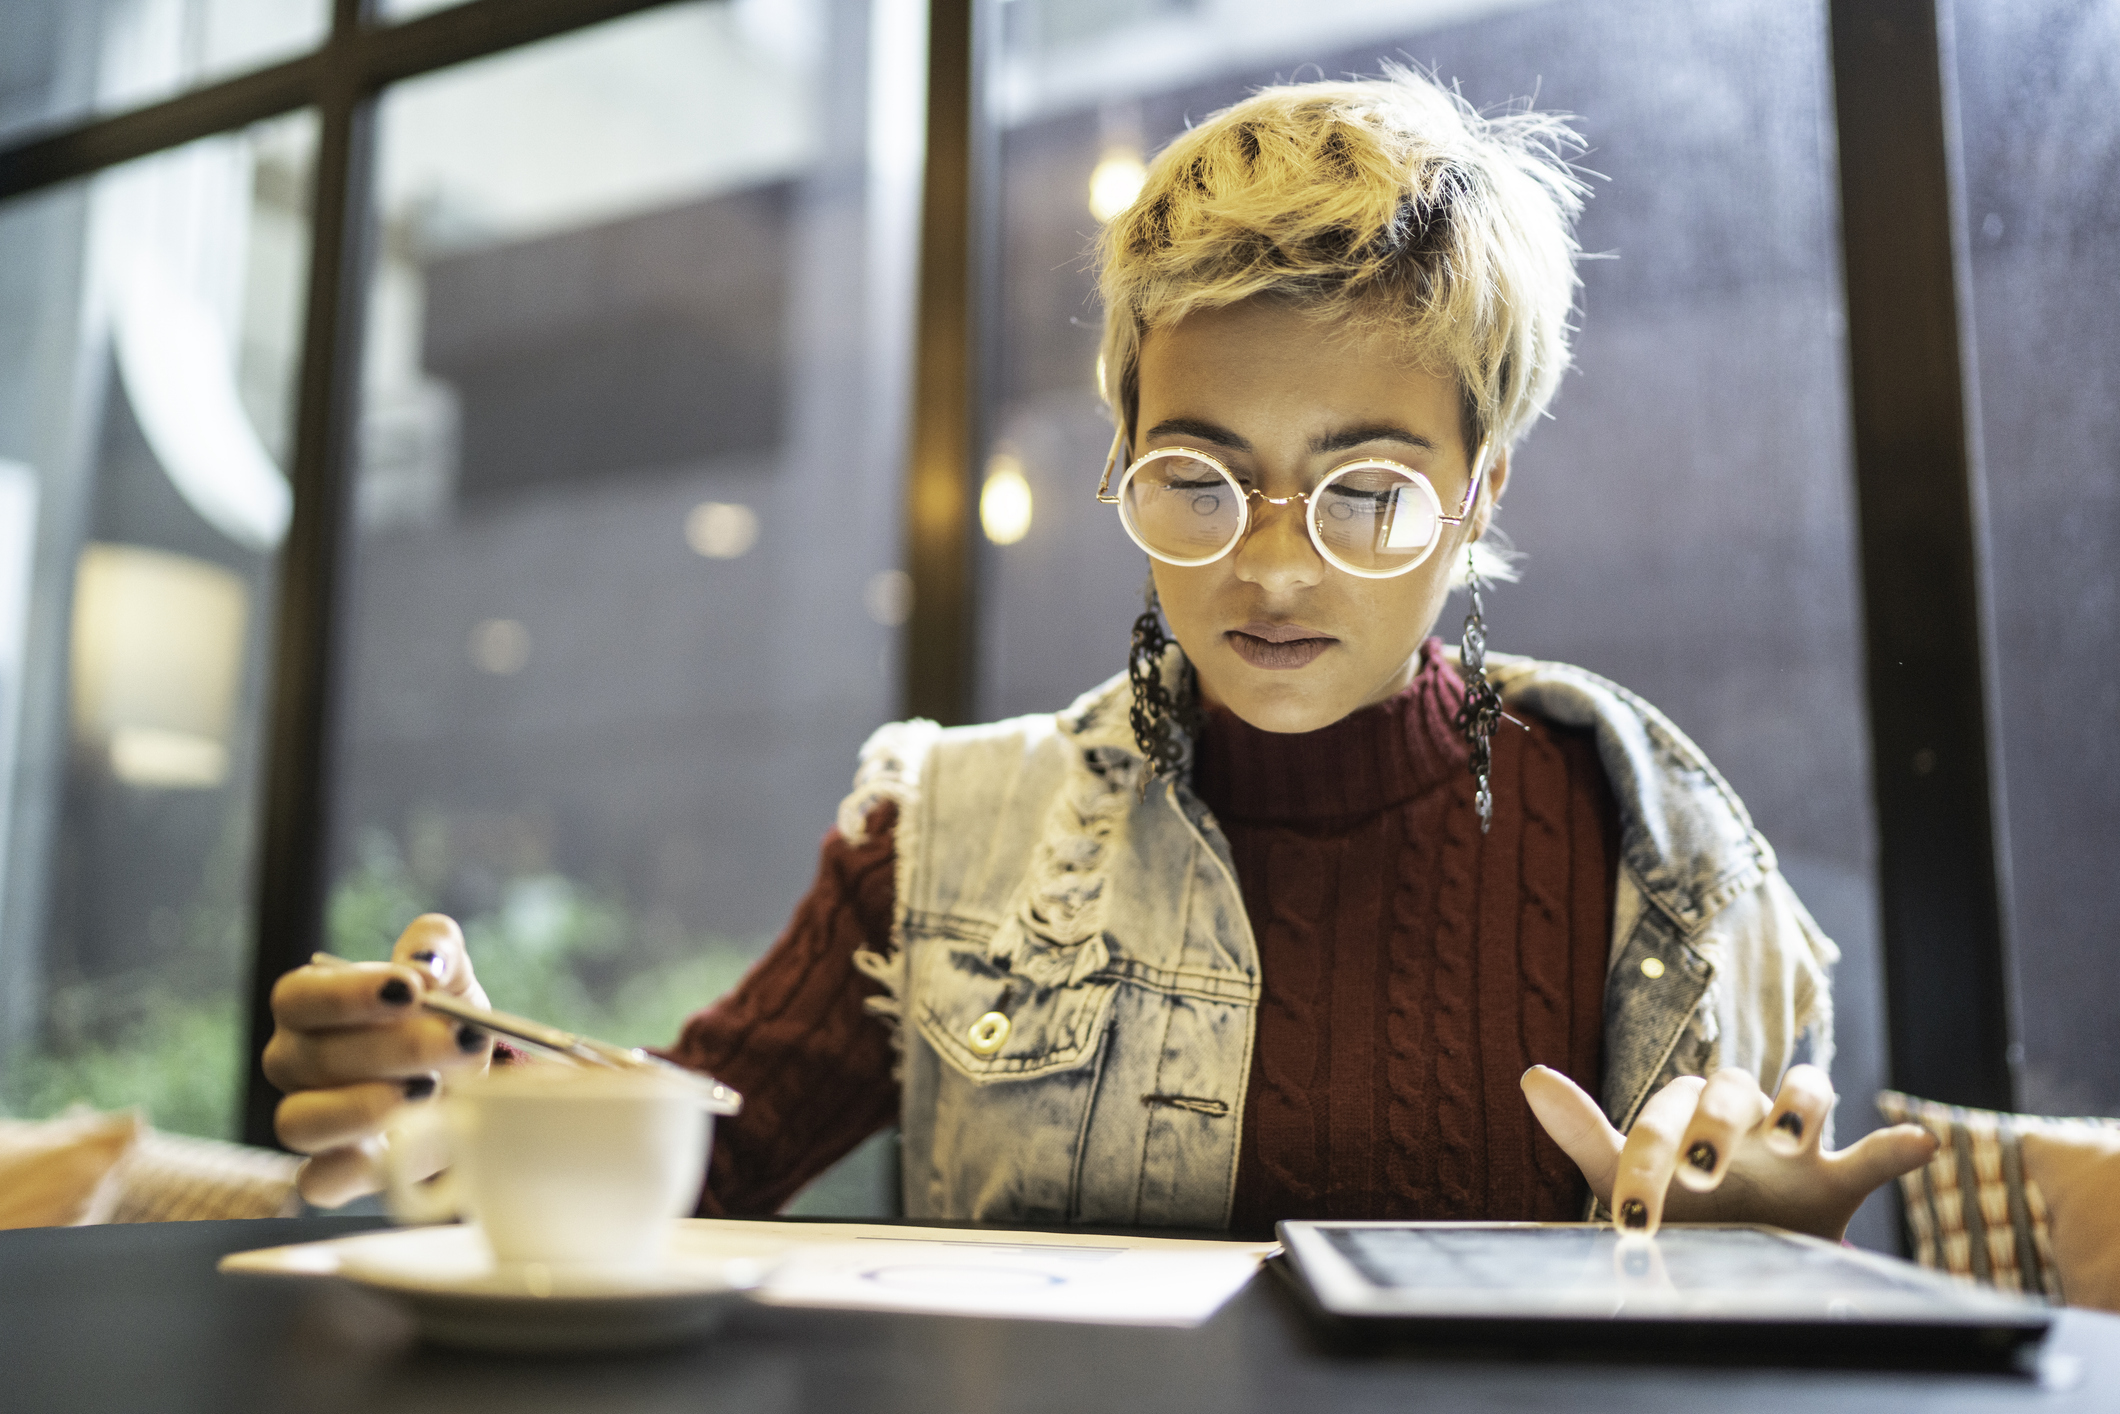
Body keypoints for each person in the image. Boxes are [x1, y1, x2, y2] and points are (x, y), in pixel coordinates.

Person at [264, 66, 1936, 1241]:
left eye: (1367, 492)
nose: (1273, 564)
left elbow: (1759, 1239)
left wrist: (1765, 1240)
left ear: (1482, 483)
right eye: (1200, 480)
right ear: (1121, 450)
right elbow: (700, 1155)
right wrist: (468, 1090)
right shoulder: (943, 835)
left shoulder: (1664, 854)